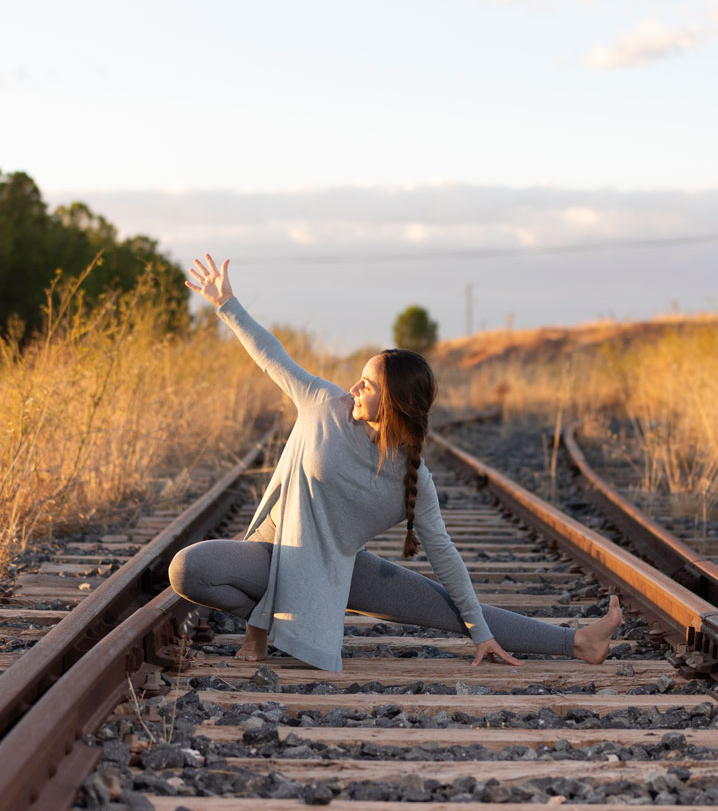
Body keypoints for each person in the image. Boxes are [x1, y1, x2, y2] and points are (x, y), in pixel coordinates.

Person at [169, 254, 622, 672]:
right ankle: (277, 620)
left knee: (446, 607)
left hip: (337, 570)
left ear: (396, 403)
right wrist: (227, 303)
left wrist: (481, 635)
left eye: (367, 384)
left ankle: (579, 642)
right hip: (270, 555)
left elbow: (445, 556)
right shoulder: (325, 404)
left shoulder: (413, 479)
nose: (354, 387)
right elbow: (274, 358)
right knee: (188, 570)